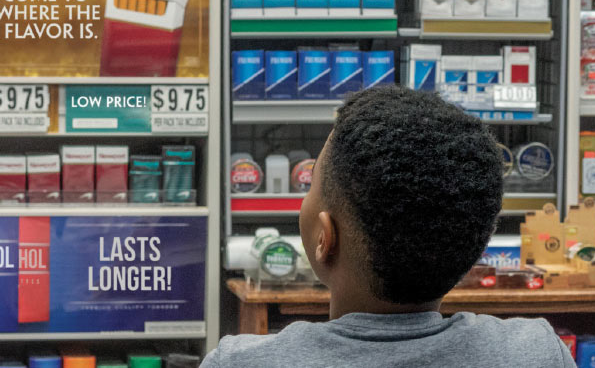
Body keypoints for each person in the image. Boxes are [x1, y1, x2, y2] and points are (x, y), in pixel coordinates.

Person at [202, 86, 575, 368]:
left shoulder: (239, 362)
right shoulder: (536, 354)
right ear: (475, 244)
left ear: (324, 238)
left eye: (313, 183)